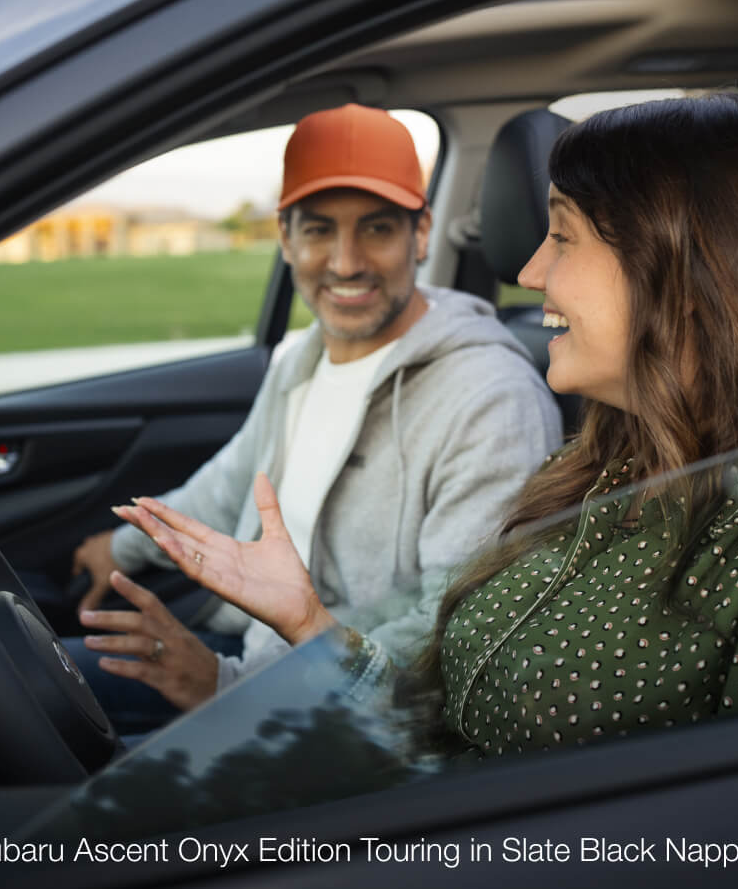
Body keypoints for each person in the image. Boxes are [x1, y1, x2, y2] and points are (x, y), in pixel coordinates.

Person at [112, 93, 738, 756]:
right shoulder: (607, 464)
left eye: (564, 238)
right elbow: (441, 733)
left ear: (685, 275)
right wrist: (308, 623)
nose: (530, 271)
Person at [74, 103, 562, 725]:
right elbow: (230, 484)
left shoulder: (491, 398)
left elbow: (451, 634)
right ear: (286, 238)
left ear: (420, 234)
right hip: (253, 656)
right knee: (23, 675)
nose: (345, 262)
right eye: (319, 230)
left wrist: (223, 686)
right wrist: (121, 548)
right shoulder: (304, 358)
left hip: (343, 710)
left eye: (377, 229)